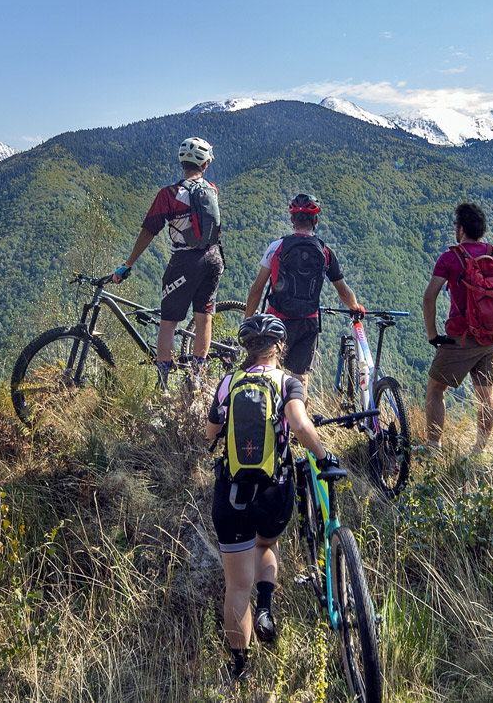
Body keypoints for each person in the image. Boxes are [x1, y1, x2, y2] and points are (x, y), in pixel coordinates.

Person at [206, 313, 343, 680]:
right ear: (279, 348)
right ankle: (265, 608)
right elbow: (299, 425)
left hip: (232, 493)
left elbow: (210, 433)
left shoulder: (228, 382)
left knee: (236, 586)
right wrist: (324, 456)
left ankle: (239, 669)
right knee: (266, 545)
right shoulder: (288, 382)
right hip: (274, 490)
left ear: (246, 349)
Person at [421, 202, 493, 456]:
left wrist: (432, 335)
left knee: (436, 389)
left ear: (461, 229)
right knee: (487, 395)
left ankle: (434, 449)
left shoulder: (451, 257)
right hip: (492, 338)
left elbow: (429, 297)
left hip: (461, 338)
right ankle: (480, 450)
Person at [114, 137, 224, 387]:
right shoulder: (213, 190)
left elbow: (149, 230)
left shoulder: (169, 194)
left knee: (168, 322)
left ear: (181, 162)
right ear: (205, 165)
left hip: (185, 262)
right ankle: (196, 378)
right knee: (204, 318)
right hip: (214, 258)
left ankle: (163, 385)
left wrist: (128, 264)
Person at [243, 193, 364, 388]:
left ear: (292, 220)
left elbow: (257, 289)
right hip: (308, 323)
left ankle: (273, 415)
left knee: (272, 374)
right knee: (300, 381)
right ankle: (298, 417)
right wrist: (356, 306)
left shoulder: (277, 247)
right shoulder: (325, 253)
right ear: (315, 220)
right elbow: (343, 291)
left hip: (277, 321)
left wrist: (248, 320)